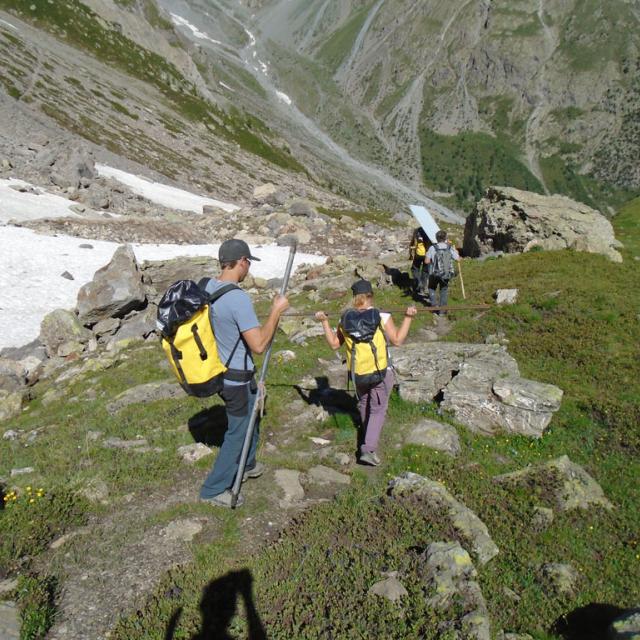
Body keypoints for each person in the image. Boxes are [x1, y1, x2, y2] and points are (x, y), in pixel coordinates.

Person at [199, 239, 289, 507]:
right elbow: (259, 345)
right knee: (237, 432)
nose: (248, 267)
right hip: (235, 376)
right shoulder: (237, 298)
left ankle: (248, 464)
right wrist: (275, 311)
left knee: (252, 414)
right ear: (241, 261)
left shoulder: (208, 287)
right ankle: (213, 489)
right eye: (248, 262)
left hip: (222, 370)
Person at [315, 280, 417, 466]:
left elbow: (334, 345)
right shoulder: (381, 316)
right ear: (371, 295)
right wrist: (409, 318)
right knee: (378, 409)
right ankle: (368, 449)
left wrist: (324, 322)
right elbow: (397, 340)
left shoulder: (344, 319)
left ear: (354, 297)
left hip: (357, 374)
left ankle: (367, 433)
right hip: (380, 371)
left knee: (364, 403)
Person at [425, 229, 459, 314]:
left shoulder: (433, 248)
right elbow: (458, 259)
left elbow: (426, 261)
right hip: (446, 273)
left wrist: (433, 260)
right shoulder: (449, 247)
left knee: (431, 288)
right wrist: (456, 252)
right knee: (443, 290)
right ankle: (442, 311)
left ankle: (434, 305)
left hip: (434, 273)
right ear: (445, 238)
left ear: (436, 238)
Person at [409, 226, 430, 297]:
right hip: (427, 255)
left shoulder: (417, 231)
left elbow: (413, 242)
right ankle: (424, 286)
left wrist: (410, 253)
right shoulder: (429, 232)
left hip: (418, 254)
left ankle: (419, 282)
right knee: (425, 271)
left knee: (414, 268)